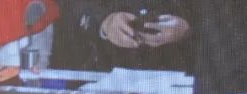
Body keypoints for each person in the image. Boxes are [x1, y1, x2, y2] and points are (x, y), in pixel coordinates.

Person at [53, 2, 194, 71]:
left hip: (184, 76)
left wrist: (188, 30)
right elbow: (72, 6)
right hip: (107, 73)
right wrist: (104, 22)